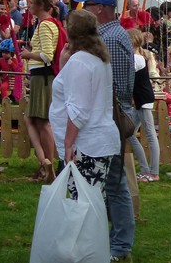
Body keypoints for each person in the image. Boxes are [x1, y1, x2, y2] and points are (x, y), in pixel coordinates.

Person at [74, 0, 135, 263]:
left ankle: (119, 245)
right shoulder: (111, 35)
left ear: (99, 9)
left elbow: (116, 89)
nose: (83, 10)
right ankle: (115, 241)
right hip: (109, 116)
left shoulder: (108, 40)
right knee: (112, 184)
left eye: (86, 5)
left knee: (113, 184)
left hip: (110, 117)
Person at [49, 10, 120, 200]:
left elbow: (79, 110)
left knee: (83, 204)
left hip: (87, 144)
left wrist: (68, 143)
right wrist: (64, 63)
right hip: (97, 140)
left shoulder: (80, 62)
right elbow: (73, 90)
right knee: (91, 201)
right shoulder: (97, 59)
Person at [20, 0, 58, 184]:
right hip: (40, 76)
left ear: (40, 5)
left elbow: (47, 56)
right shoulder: (48, 24)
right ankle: (44, 161)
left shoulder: (45, 26)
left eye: (32, 3)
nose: (29, 6)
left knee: (42, 121)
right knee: (33, 119)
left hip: (43, 76)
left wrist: (28, 55)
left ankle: (46, 163)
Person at [126, 29, 161, 183]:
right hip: (139, 100)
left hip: (144, 100)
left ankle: (154, 172)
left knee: (150, 135)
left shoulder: (137, 59)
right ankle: (145, 169)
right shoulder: (136, 57)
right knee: (129, 133)